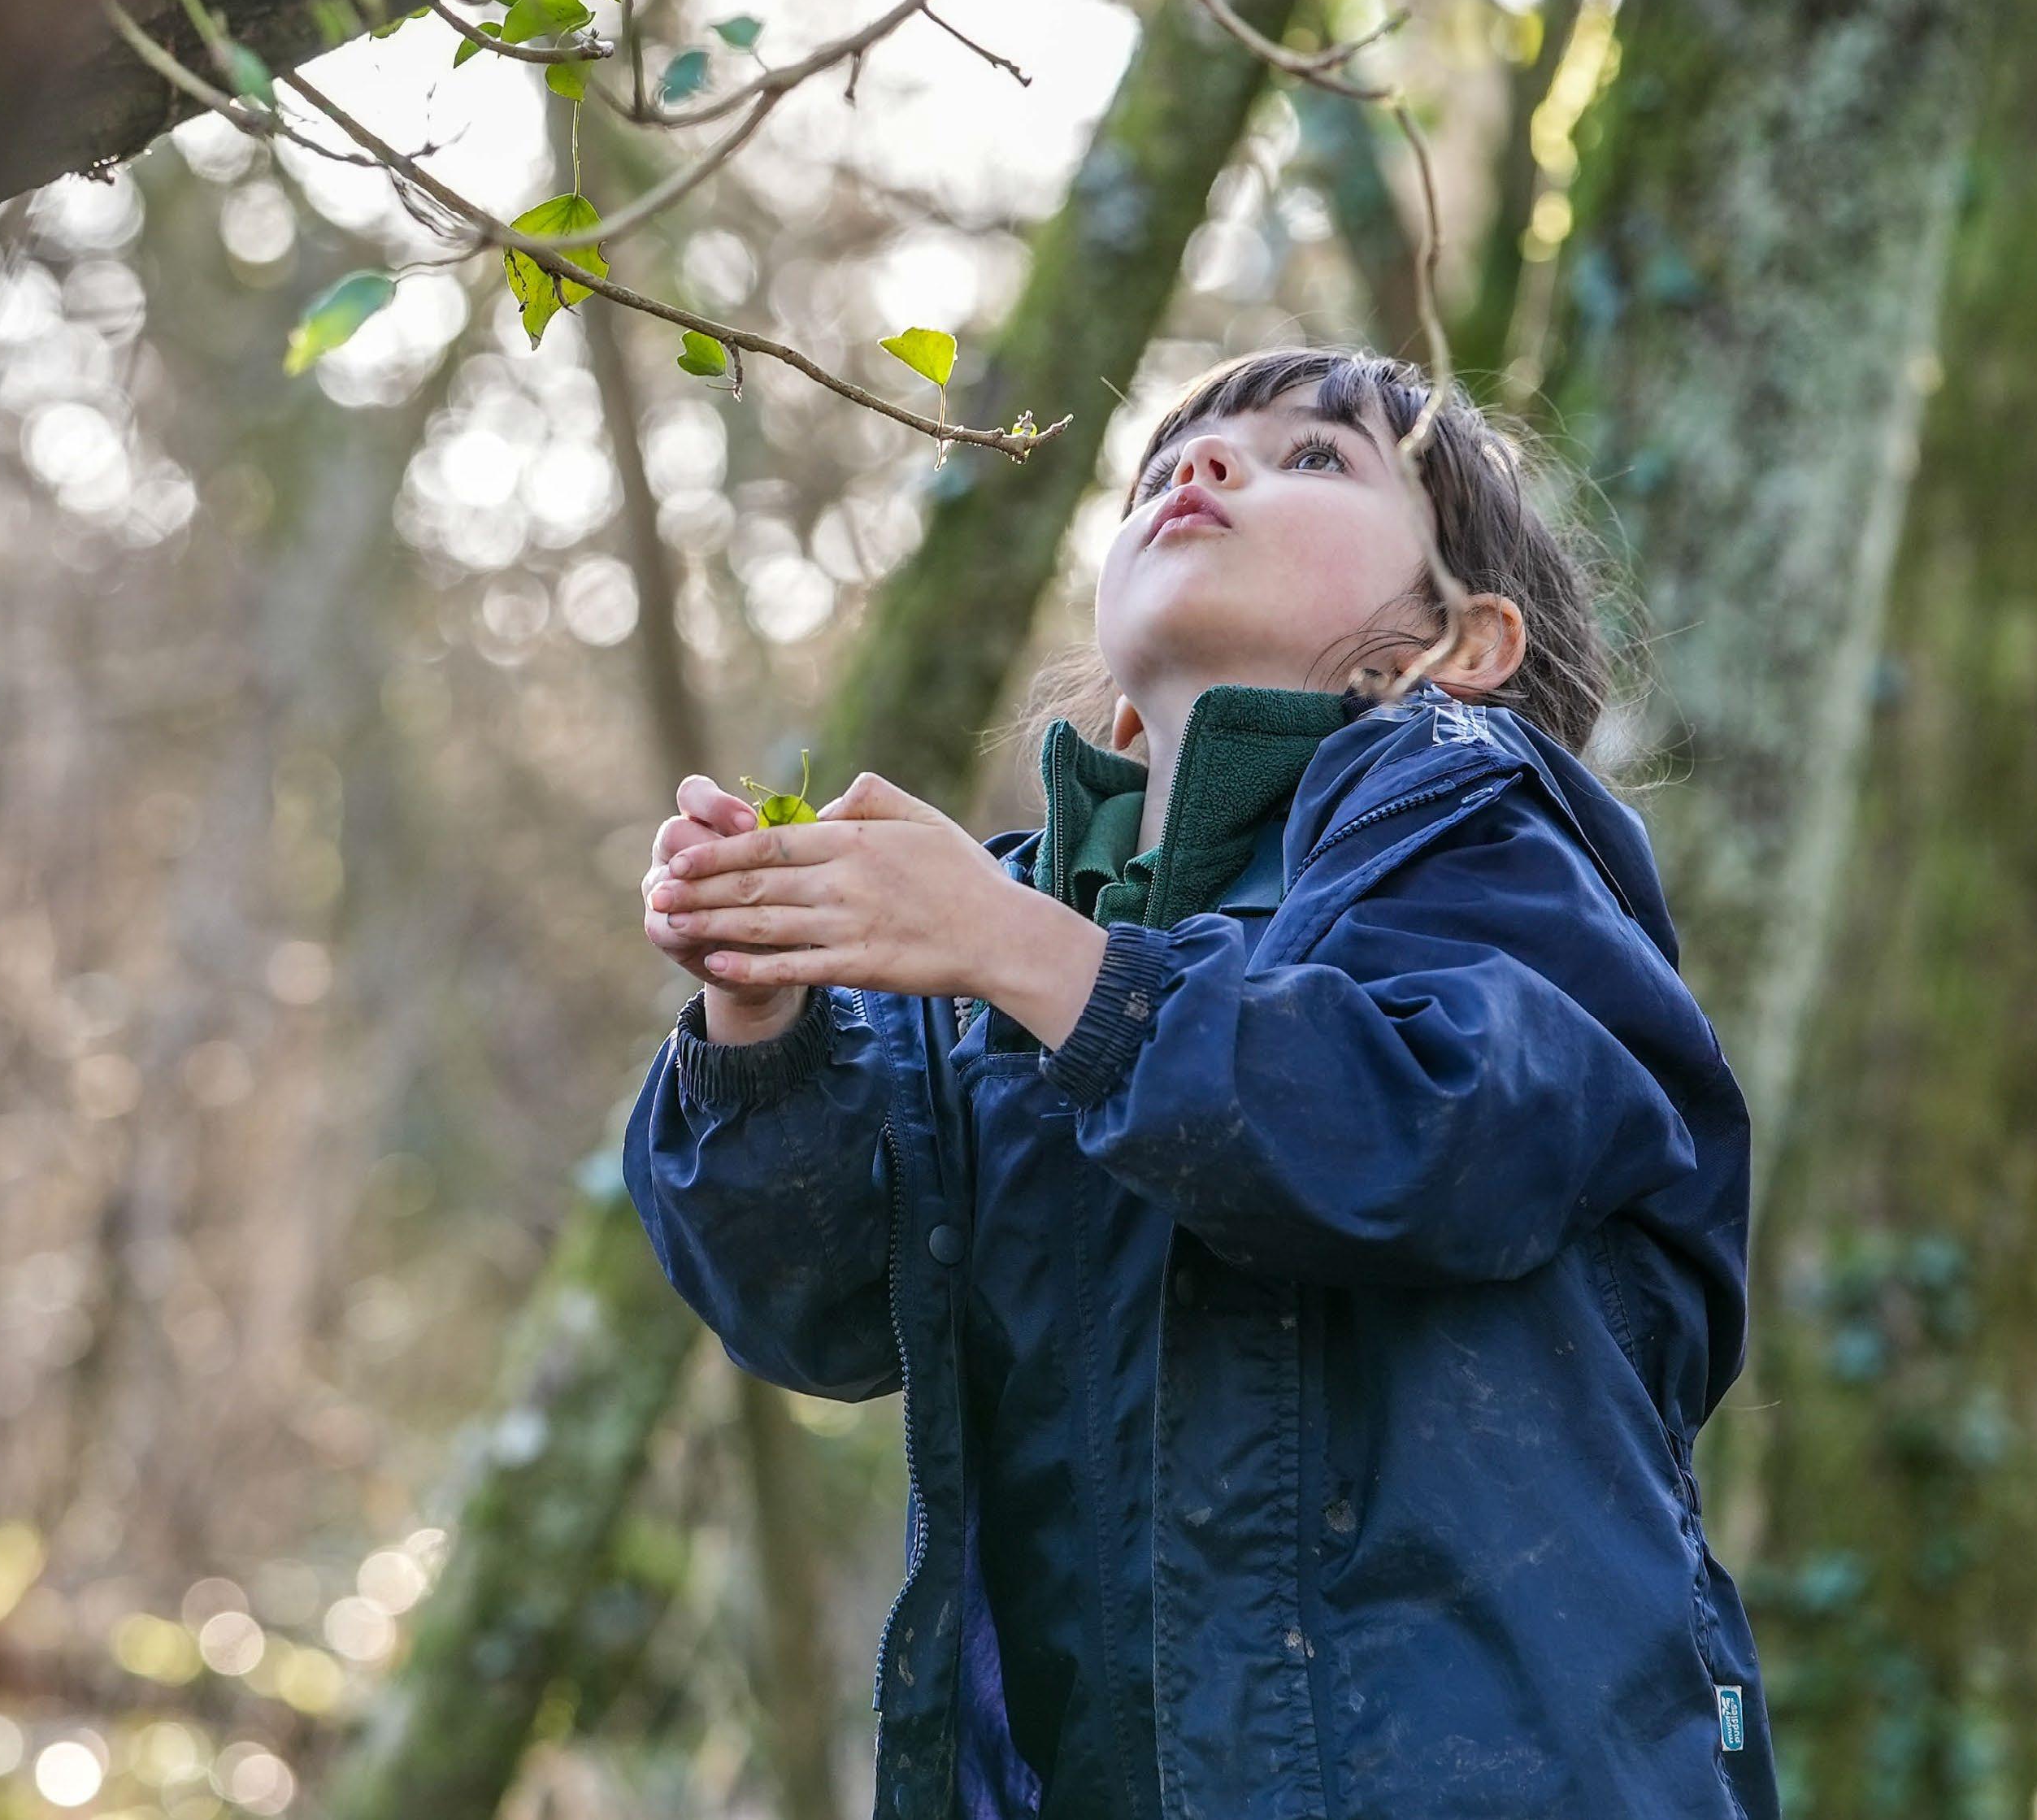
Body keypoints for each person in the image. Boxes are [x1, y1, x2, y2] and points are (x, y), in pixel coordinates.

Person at [623, 347, 1771, 1820]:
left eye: (1313, 457)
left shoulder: (1490, 842)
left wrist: (1031, 956)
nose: (1203, 467)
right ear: (1118, 714)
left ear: (1462, 642)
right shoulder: (1013, 942)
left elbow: (1421, 1136)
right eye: (1166, 463)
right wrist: (760, 1017)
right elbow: (822, 1311)